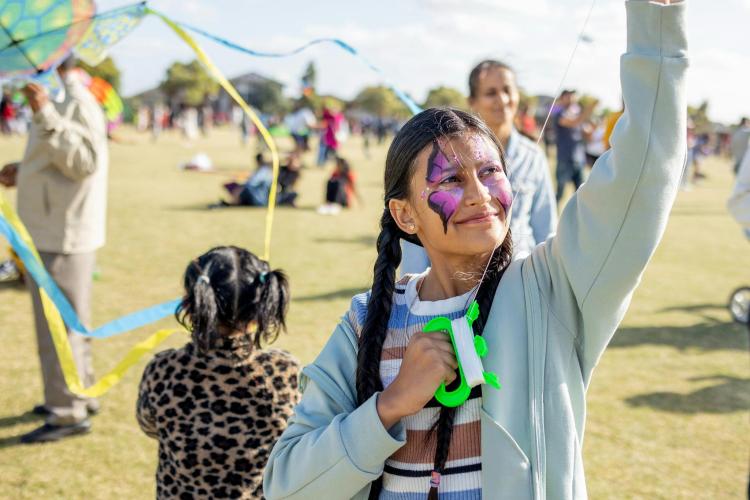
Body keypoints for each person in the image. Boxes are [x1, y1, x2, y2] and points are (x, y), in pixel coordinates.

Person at [263, 2, 686, 498]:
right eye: (451, 179)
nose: (480, 195)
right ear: (404, 216)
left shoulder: (552, 293)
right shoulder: (365, 323)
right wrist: (391, 404)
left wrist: (658, 26)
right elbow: (285, 484)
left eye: (489, 172)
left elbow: (642, 171)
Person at [0, 56, 109, 443]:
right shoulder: (63, 98)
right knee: (69, 324)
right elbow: (60, 157)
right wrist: (24, 168)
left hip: (61, 236)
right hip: (52, 230)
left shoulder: (73, 100)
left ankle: (67, 412)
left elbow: (83, 162)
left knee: (58, 330)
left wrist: (44, 111)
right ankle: (77, 394)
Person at [137, 246, 300, 499]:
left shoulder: (163, 371)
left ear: (190, 307)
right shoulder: (283, 372)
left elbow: (149, 425)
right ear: (262, 308)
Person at [401, 58, 557, 272]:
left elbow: (545, 228)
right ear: (472, 101)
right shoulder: (445, 155)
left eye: (507, 90)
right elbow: (422, 224)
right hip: (461, 283)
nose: (501, 99)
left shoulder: (533, 155)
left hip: (520, 280)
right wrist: (415, 286)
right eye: (490, 93)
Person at [553, 90, 595, 202]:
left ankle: (577, 219)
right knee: (560, 194)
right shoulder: (559, 114)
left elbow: (588, 134)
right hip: (564, 159)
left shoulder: (577, 115)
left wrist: (590, 128)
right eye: (568, 96)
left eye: (572, 97)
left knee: (580, 194)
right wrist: (588, 110)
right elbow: (574, 122)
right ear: (562, 99)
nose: (571, 99)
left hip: (578, 159)